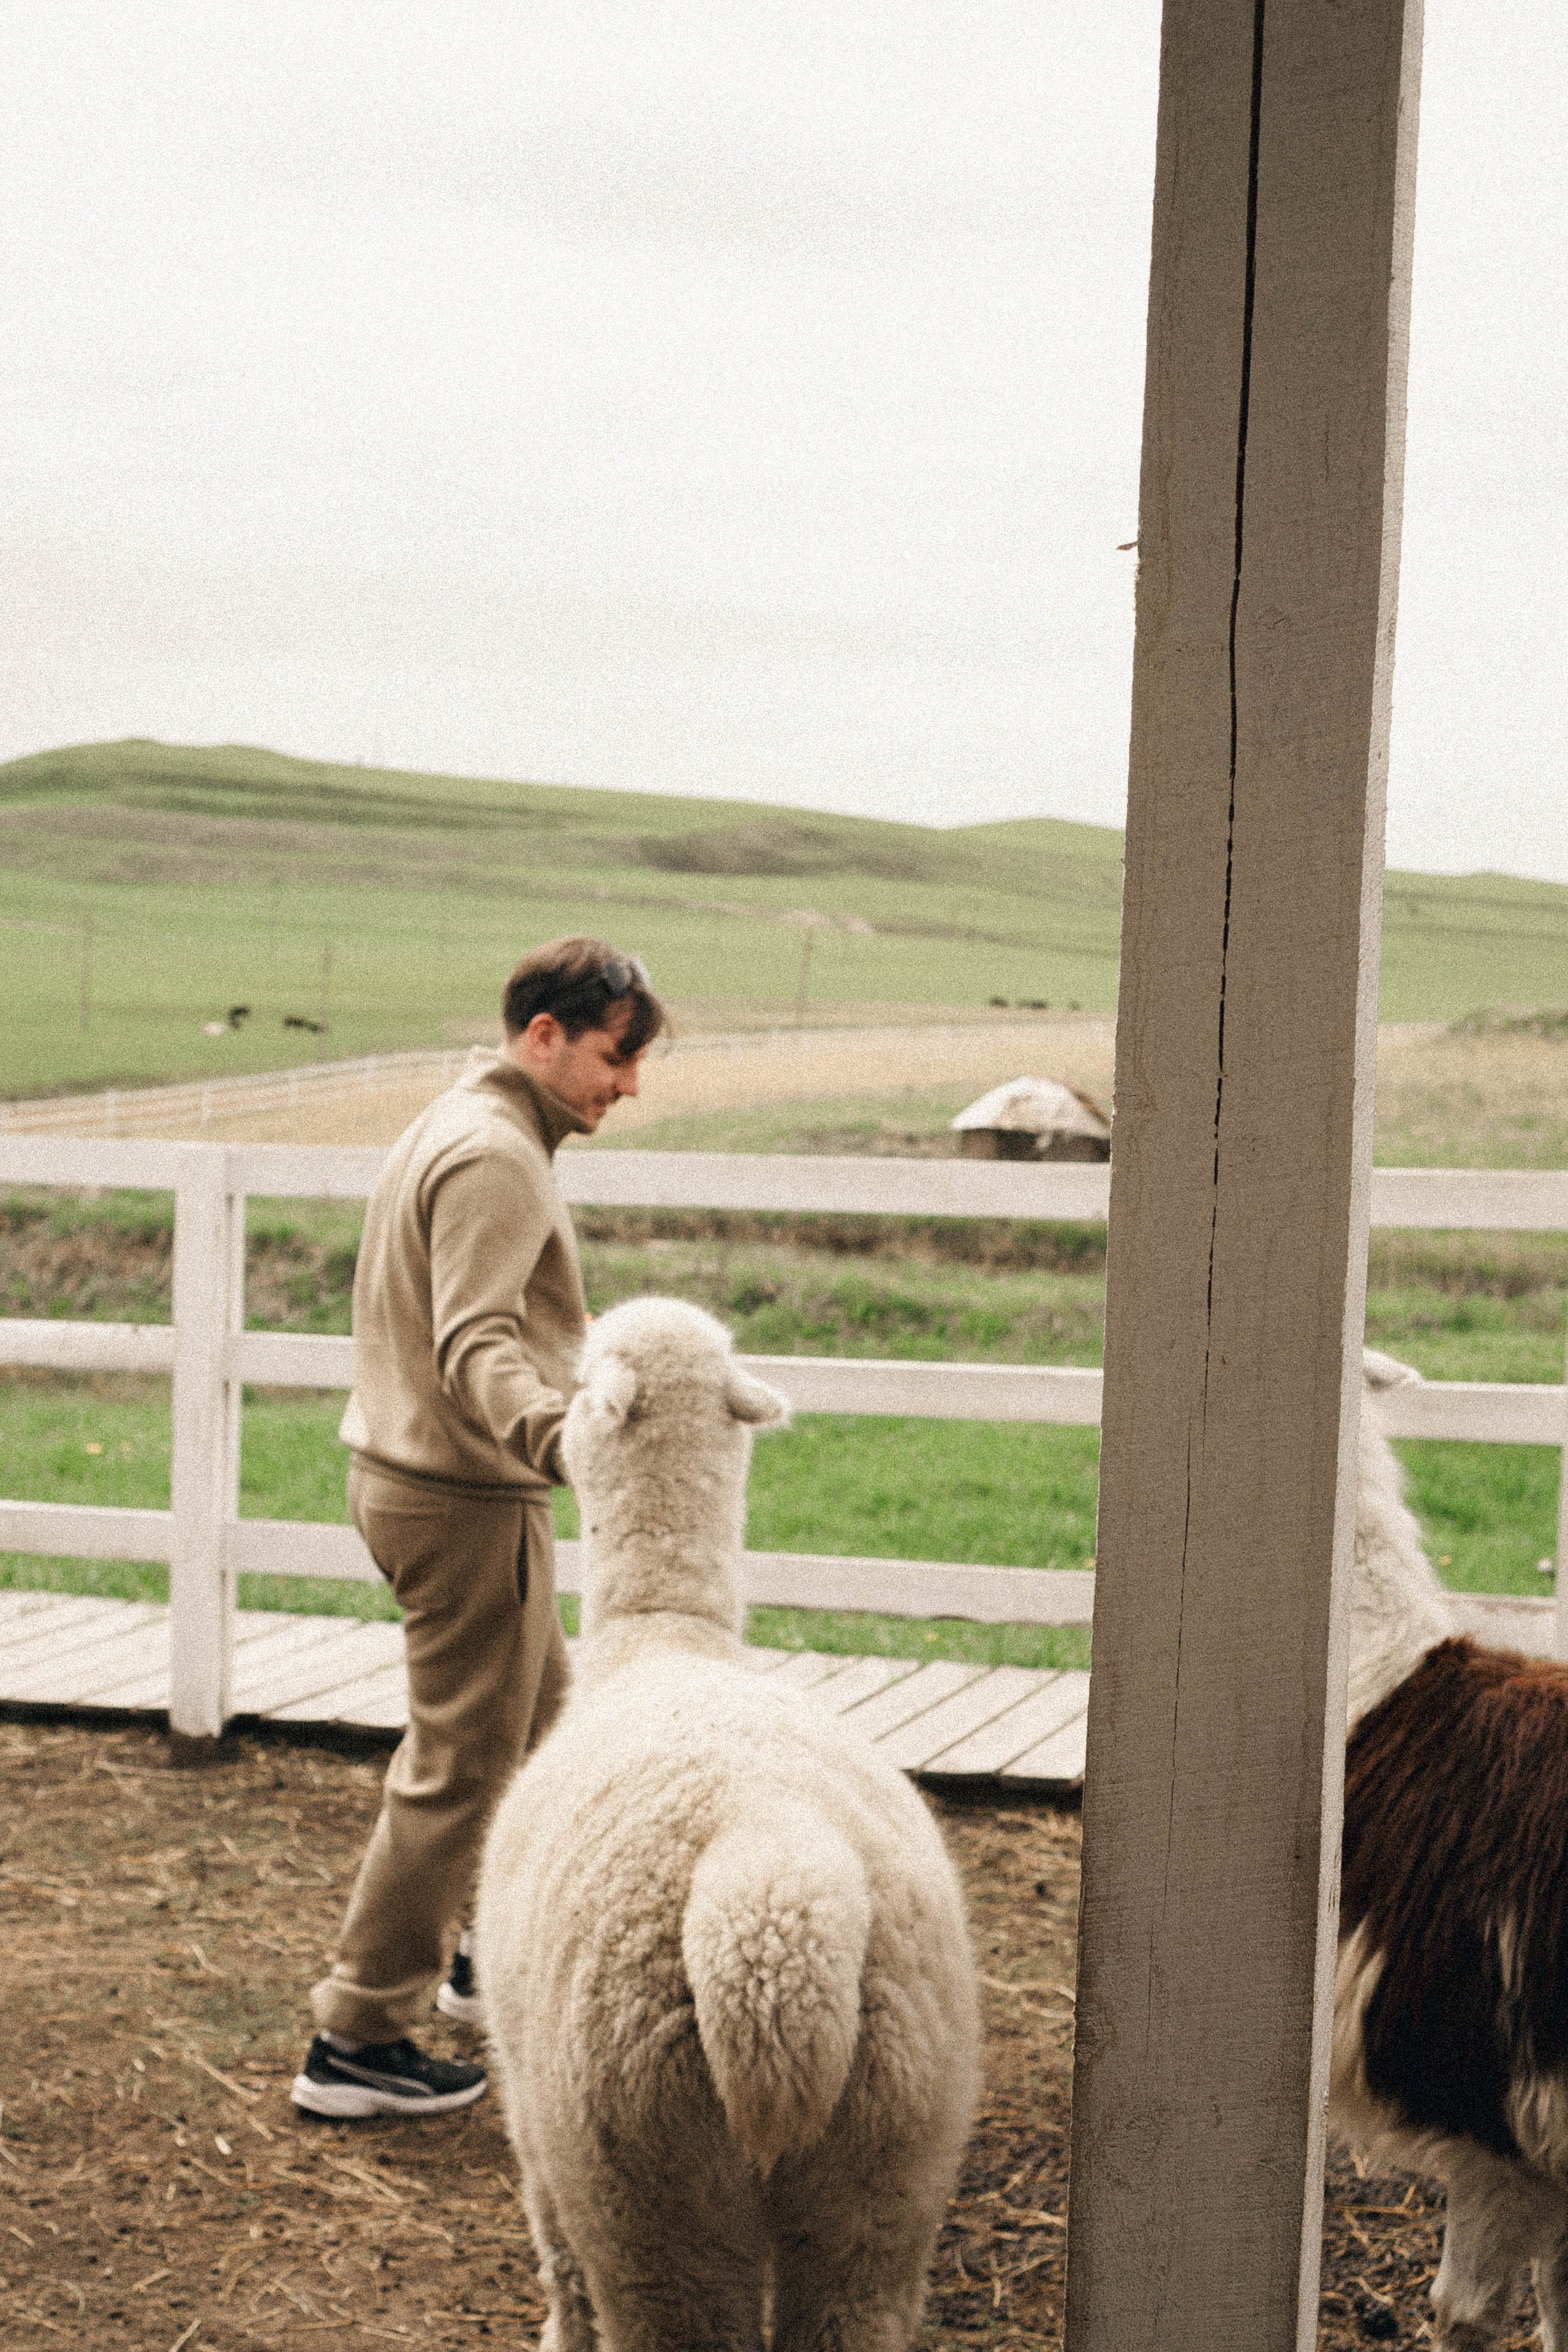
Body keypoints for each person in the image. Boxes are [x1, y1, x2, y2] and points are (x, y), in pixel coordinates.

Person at [291, 937, 664, 2118]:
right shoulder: (498, 1155)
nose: (629, 1086)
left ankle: (483, 1955)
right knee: (458, 1771)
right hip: (465, 1499)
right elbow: (476, 1343)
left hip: (420, 1480)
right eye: (615, 1057)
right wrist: (564, 1443)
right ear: (543, 1034)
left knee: (547, 1729)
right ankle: (357, 2037)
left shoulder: (458, 1123)